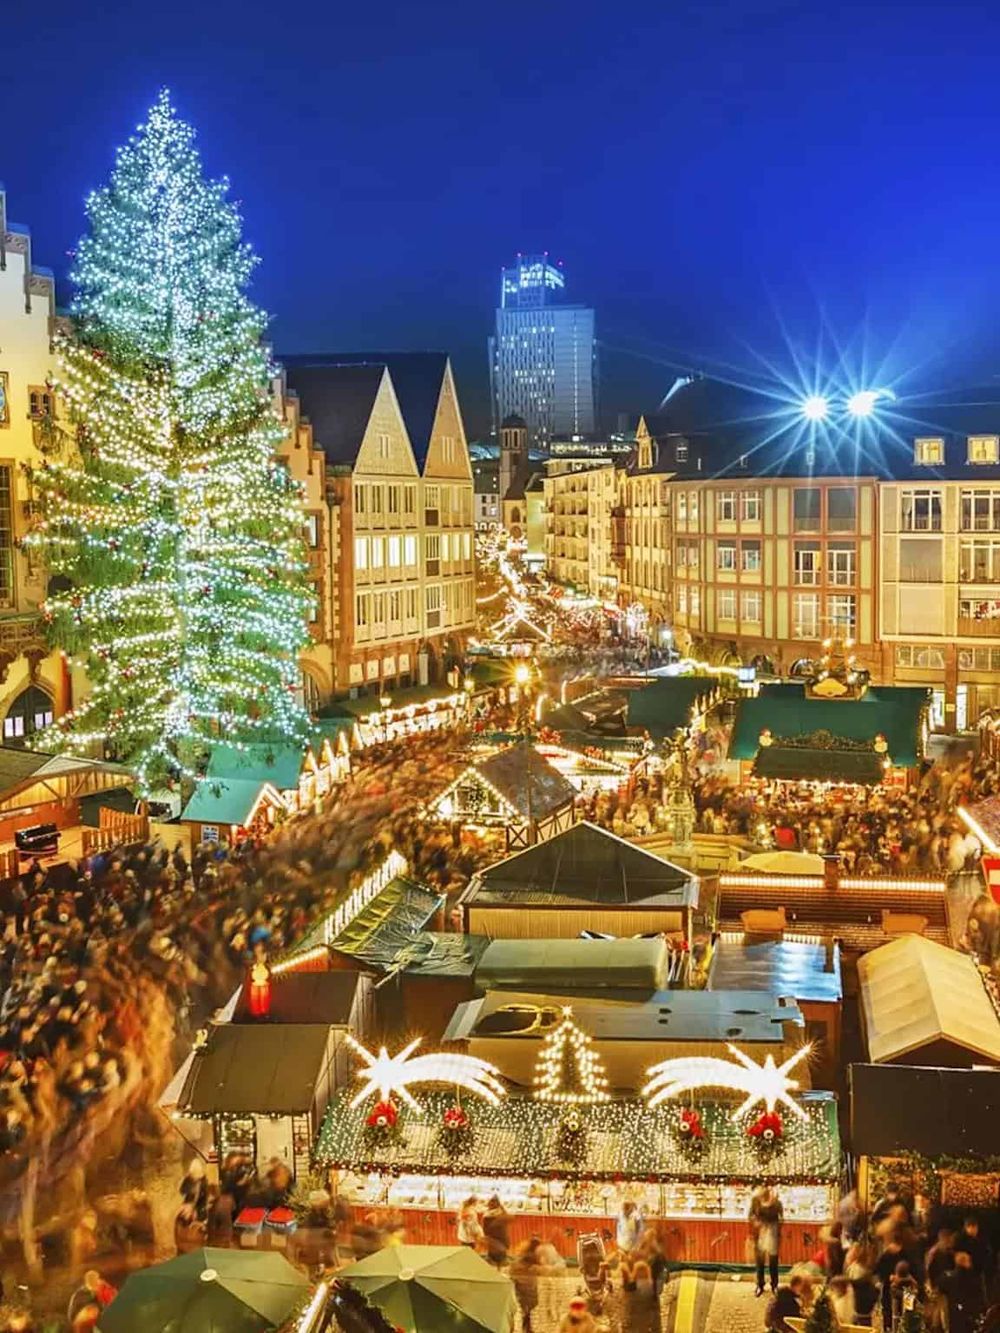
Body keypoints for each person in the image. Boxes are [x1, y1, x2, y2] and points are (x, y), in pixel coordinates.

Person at [940, 1248, 987, 1333]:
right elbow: (980, 1298)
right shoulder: (975, 1279)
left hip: (955, 1316)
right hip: (971, 1316)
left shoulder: (949, 1278)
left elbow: (940, 1287)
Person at [749, 1184, 784, 1296]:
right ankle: (760, 1285)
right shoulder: (755, 1201)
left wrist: (776, 1226)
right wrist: (755, 1222)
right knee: (760, 1261)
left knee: (773, 1261)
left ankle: (774, 1285)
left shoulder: (776, 1202)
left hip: (772, 1232)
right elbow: (751, 1215)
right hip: (760, 1233)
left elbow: (781, 1217)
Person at [510, 1237, 541, 1333]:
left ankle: (527, 1328)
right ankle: (526, 1329)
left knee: (526, 1309)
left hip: (523, 1284)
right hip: (525, 1285)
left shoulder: (525, 1254)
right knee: (527, 1309)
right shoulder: (531, 1255)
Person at [481, 1194, 510, 1267]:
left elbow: (485, 1228)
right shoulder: (502, 1213)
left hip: (493, 1240)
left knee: (492, 1259)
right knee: (501, 1259)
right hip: (502, 1239)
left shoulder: (487, 1214)